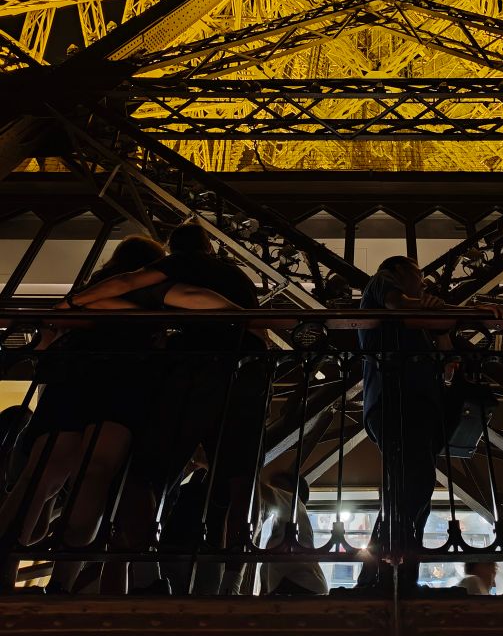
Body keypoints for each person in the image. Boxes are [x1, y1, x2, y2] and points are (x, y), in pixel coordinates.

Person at [98, 222, 268, 595]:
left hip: (193, 371)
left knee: (146, 474)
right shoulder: (234, 274)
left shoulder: (181, 265)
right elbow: (257, 328)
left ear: (174, 250)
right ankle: (235, 582)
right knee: (241, 481)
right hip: (247, 371)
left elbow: (127, 285)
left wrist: (72, 305)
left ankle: (139, 574)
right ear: (209, 246)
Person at [0, 235, 166, 594]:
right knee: (97, 473)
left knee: (39, 476)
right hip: (125, 378)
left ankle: (4, 570)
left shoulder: (89, 292)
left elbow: (51, 337)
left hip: (72, 378)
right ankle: (63, 580)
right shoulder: (152, 292)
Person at [356, 256, 503, 592]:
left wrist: (443, 322)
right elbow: (397, 305)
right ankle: (386, 574)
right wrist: (457, 310)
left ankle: (390, 573)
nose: (423, 283)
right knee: (412, 483)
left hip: (419, 405)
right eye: (418, 274)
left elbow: (445, 354)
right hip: (396, 400)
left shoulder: (421, 317)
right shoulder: (381, 281)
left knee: (415, 485)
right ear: (397, 271)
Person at [260, 474, 327, 596]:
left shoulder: (293, 501)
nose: (274, 487)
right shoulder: (284, 520)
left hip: (303, 586)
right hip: (304, 587)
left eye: (279, 486)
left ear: (294, 490)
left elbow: (259, 489)